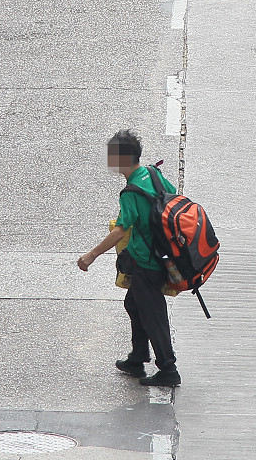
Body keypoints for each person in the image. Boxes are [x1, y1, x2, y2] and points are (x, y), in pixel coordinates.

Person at [77, 130, 181, 388]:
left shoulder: (131, 192)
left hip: (147, 262)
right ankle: (137, 358)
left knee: (152, 313)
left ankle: (168, 369)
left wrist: (91, 256)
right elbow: (174, 197)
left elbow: (120, 229)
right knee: (134, 305)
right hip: (159, 254)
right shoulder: (153, 174)